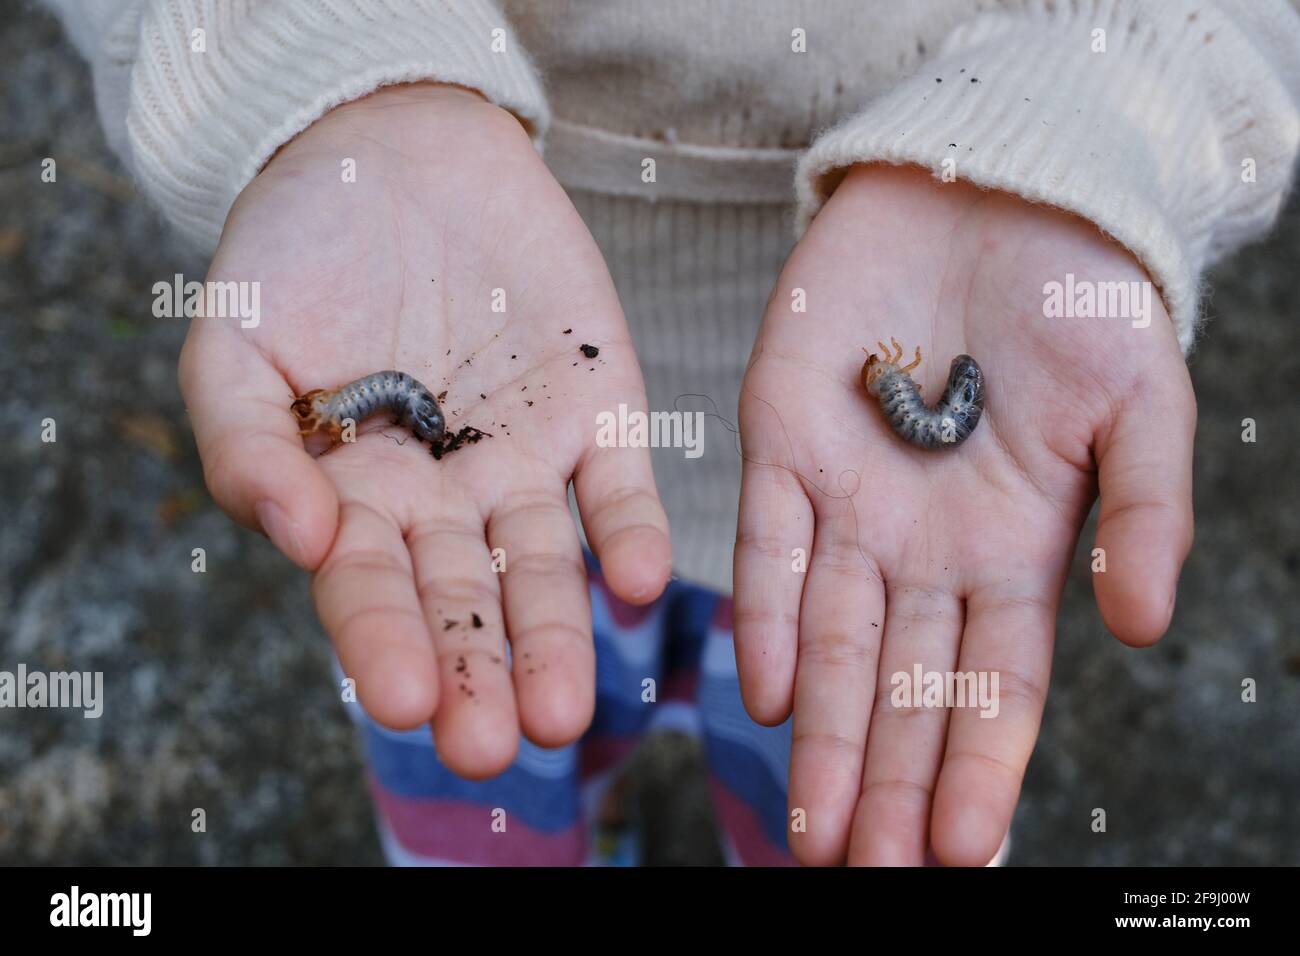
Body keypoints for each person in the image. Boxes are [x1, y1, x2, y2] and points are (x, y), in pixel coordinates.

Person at [43, 0, 1300, 865]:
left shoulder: (903, 418)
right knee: (484, 739)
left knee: (844, 790)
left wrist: (1111, 107)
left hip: (842, 529)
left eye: (925, 398)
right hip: (505, 504)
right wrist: (308, 68)